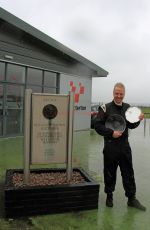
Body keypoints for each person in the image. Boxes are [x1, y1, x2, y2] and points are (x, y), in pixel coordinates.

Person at [94, 82, 146, 211]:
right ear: (113, 93)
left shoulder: (128, 108)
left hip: (124, 146)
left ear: (124, 94)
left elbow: (131, 125)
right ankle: (109, 196)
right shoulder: (104, 108)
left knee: (128, 172)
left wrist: (138, 120)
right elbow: (97, 125)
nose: (118, 96)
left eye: (121, 94)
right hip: (111, 146)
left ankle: (131, 199)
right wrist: (111, 133)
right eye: (117, 93)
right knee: (110, 172)